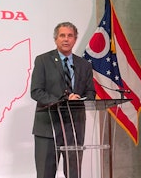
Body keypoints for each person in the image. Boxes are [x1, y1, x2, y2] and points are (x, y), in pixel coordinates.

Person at [30, 21, 96, 178]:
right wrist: (63, 100)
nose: (66, 39)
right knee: (45, 173)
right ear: (56, 39)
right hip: (48, 126)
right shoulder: (43, 60)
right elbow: (36, 91)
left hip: (74, 127)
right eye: (62, 35)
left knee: (74, 173)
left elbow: (91, 92)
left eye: (70, 36)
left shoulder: (84, 65)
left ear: (75, 39)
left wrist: (79, 99)